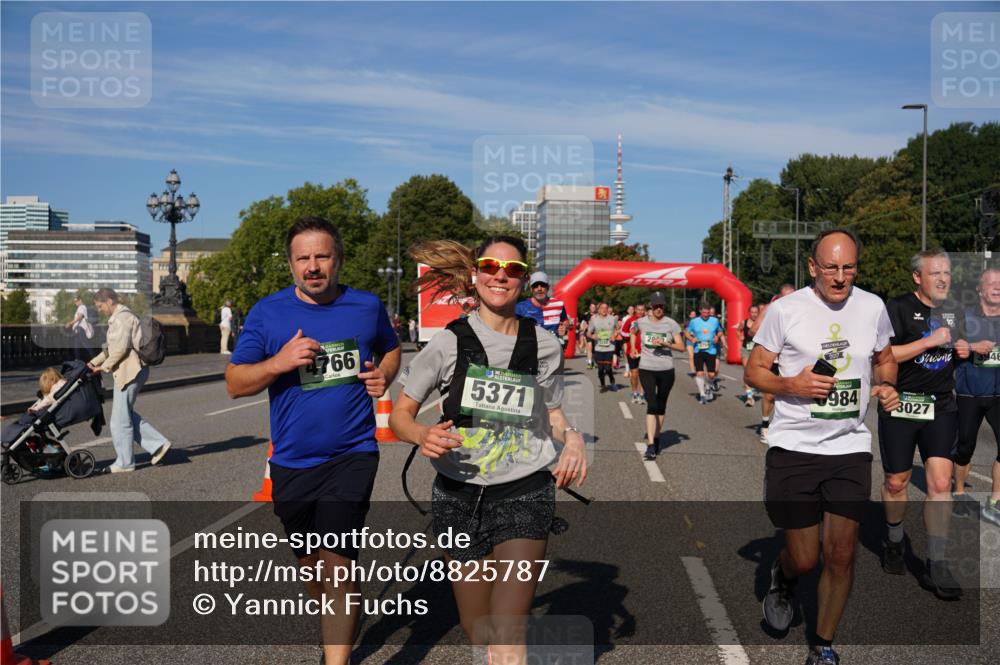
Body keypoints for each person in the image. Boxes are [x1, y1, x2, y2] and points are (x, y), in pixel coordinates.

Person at [389, 236, 586, 665]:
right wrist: (422, 435)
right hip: (458, 496)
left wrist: (571, 437)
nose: (501, 275)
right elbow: (399, 415)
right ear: (476, 275)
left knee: (507, 627)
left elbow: (551, 409)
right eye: (491, 265)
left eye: (513, 269)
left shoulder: (546, 345)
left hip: (525, 491)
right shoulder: (446, 343)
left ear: (523, 279)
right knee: (478, 627)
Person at [224, 216, 401, 665]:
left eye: (322, 256)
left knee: (338, 564)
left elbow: (391, 347)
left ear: (338, 259)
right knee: (314, 570)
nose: (313, 266)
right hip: (292, 461)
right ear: (290, 265)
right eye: (303, 258)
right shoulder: (268, 312)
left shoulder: (366, 306)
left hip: (353, 453)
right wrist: (278, 362)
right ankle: (334, 616)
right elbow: (234, 383)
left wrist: (384, 374)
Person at [746, 229, 898, 665]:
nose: (839, 276)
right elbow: (754, 373)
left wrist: (886, 385)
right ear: (812, 267)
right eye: (830, 267)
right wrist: (790, 383)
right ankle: (783, 575)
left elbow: (884, 359)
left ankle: (824, 645)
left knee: (842, 553)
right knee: (805, 556)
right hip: (794, 446)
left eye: (848, 267)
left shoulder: (872, 307)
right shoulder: (785, 310)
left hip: (849, 447)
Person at [878, 249, 969, 599]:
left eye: (947, 272)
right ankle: (895, 539)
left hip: (942, 406)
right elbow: (885, 355)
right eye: (936, 273)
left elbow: (957, 349)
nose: (944, 278)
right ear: (918, 277)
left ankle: (937, 561)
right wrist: (928, 341)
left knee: (941, 482)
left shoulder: (955, 310)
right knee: (897, 481)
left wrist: (963, 348)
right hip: (901, 404)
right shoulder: (897, 308)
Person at [89, 288, 172, 473]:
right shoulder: (120, 318)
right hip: (130, 371)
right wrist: (92, 363)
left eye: (100, 305)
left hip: (131, 372)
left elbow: (120, 349)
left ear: (109, 301)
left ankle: (125, 462)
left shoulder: (122, 318)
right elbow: (110, 350)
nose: (100, 309)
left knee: (119, 420)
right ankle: (158, 445)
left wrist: (102, 368)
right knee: (125, 415)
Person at [952, 267, 1000, 526]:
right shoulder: (966, 317)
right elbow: (947, 345)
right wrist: (972, 346)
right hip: (969, 392)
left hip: (999, 393)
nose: (997, 286)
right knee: (965, 447)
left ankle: (996, 500)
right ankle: (959, 492)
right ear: (980, 289)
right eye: (991, 282)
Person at [631, 293, 684, 460]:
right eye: (655, 306)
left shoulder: (671, 324)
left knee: (661, 406)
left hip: (666, 370)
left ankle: (657, 437)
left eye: (661, 306)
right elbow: (632, 331)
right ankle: (651, 445)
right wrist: (633, 347)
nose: (658, 309)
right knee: (651, 404)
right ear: (651, 306)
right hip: (647, 368)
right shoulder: (642, 321)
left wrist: (667, 344)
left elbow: (681, 347)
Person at [749, 284, 796, 442]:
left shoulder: (802, 307)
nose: (789, 301)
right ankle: (765, 425)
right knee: (770, 395)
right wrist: (775, 335)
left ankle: (789, 427)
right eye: (785, 298)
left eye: (792, 297)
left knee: (794, 393)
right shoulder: (772, 308)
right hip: (774, 358)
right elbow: (753, 331)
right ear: (779, 296)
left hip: (793, 358)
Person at [515, 271, 570, 349]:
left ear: (548, 287)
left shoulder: (558, 304)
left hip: (553, 350)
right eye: (536, 286)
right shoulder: (520, 308)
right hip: (530, 351)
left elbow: (565, 321)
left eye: (543, 285)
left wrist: (564, 327)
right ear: (531, 289)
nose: (539, 289)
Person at [685, 303, 724, 404]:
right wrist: (691, 338)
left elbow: (720, 331)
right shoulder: (694, 321)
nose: (706, 315)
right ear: (700, 311)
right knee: (699, 373)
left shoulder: (715, 320)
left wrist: (717, 337)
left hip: (711, 350)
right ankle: (702, 395)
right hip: (698, 350)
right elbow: (686, 332)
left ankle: (708, 386)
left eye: (708, 313)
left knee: (711, 374)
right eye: (704, 313)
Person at [587, 303, 619, 392]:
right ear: (598, 309)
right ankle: (603, 385)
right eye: (602, 308)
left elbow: (618, 329)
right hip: (598, 348)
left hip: (610, 347)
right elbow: (588, 333)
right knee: (601, 369)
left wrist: (615, 335)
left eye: (606, 308)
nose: (604, 310)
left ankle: (612, 381)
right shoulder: (594, 320)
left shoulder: (613, 319)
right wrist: (593, 336)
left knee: (608, 368)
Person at [622, 303, 647, 404]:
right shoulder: (630, 320)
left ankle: (642, 394)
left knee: (644, 374)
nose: (640, 312)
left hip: (645, 351)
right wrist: (631, 334)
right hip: (632, 351)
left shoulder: (647, 320)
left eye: (642, 310)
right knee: (634, 374)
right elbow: (623, 333)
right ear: (635, 310)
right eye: (639, 310)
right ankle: (634, 392)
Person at [739, 304, 761, 406]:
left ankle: (754, 387)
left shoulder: (762, 323)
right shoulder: (744, 322)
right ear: (749, 313)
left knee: (756, 372)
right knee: (747, 371)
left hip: (757, 350)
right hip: (746, 349)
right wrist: (740, 337)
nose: (754, 314)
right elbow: (737, 331)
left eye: (756, 312)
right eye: (752, 312)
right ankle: (749, 397)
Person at [64, 295, 94, 362]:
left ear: (80, 300)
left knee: (86, 345)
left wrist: (70, 323)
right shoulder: (81, 307)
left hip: (80, 328)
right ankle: (77, 360)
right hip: (78, 329)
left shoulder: (82, 307)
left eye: (76, 301)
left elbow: (79, 317)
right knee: (76, 346)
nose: (75, 303)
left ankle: (94, 359)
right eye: (74, 301)